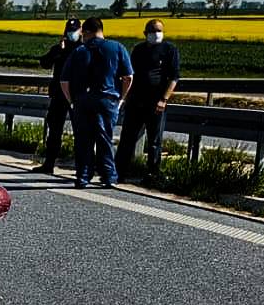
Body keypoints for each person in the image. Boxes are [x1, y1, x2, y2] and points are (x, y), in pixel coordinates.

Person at [59, 17, 134, 188]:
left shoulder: (79, 51)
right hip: (107, 99)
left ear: (86, 32)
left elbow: (64, 81)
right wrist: (121, 98)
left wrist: (71, 101)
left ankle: (83, 176)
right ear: (101, 30)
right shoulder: (117, 47)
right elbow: (128, 77)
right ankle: (108, 176)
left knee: (83, 140)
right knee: (105, 137)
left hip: (82, 100)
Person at [118, 18, 181, 175]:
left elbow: (174, 77)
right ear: (145, 33)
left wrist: (164, 99)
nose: (156, 34)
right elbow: (130, 73)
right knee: (127, 137)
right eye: (152, 31)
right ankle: (120, 171)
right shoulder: (138, 49)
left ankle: (152, 173)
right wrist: (126, 97)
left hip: (155, 102)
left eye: (159, 31)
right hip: (135, 101)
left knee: (154, 140)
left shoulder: (169, 50)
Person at [34, 17, 82, 173]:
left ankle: (81, 167)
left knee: (80, 131)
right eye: (69, 31)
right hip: (58, 95)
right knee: (54, 130)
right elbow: (44, 63)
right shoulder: (59, 49)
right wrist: (58, 51)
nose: (71, 34)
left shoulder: (83, 49)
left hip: (77, 96)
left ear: (80, 31)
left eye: (74, 31)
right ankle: (49, 163)